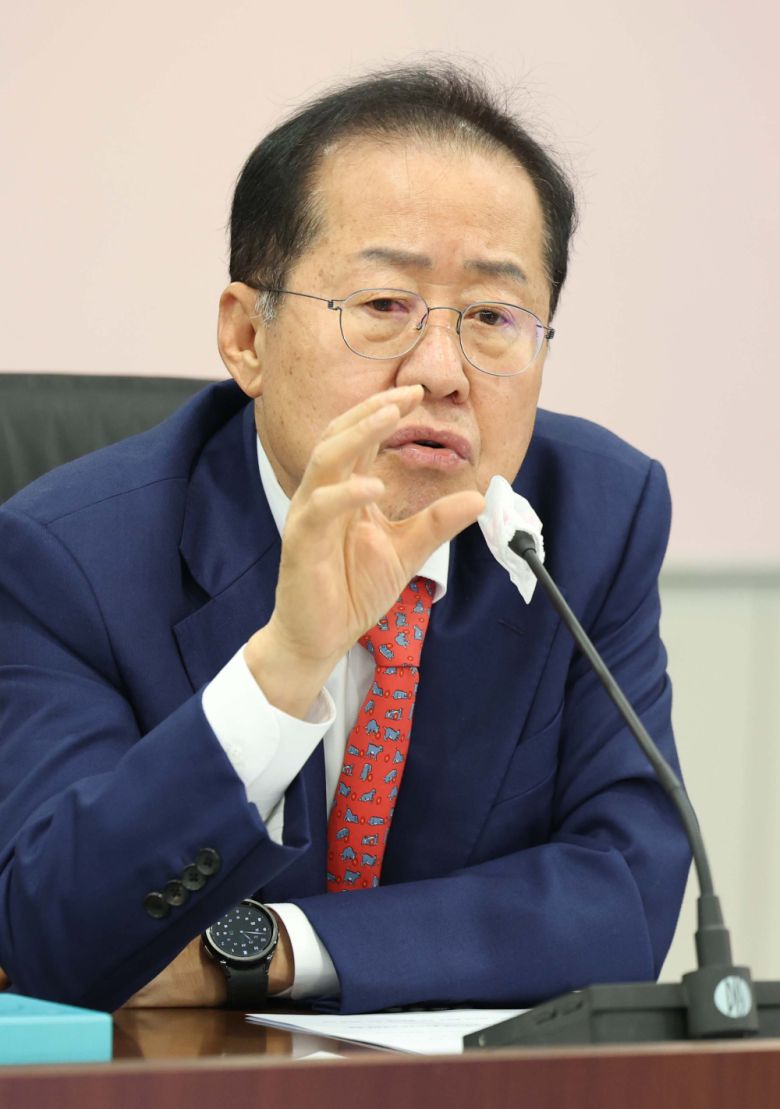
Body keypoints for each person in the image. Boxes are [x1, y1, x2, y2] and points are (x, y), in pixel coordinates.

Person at [0, 64, 689, 1013]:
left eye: (493, 317)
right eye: (383, 307)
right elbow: (47, 936)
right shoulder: (67, 558)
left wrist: (270, 948)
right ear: (247, 338)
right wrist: (284, 667)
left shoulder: (594, 518)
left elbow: (626, 897)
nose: (442, 371)